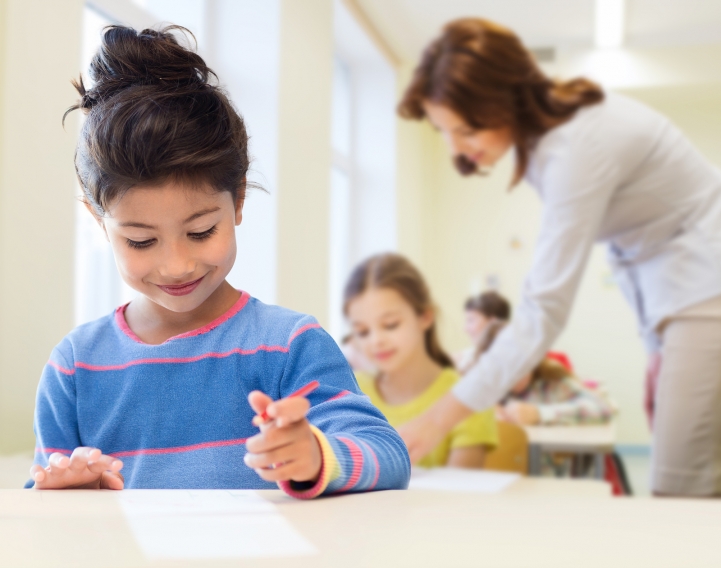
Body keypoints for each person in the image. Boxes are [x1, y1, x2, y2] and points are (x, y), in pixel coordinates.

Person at [27, 25, 410, 497]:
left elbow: (386, 452)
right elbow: (43, 495)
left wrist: (314, 455)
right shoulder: (75, 366)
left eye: (201, 231)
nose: (177, 265)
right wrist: (69, 492)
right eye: (142, 241)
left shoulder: (288, 346)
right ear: (99, 221)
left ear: (240, 200)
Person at [396, 18, 721, 496]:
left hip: (706, 285)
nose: (455, 148)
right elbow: (637, 247)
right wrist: (657, 347)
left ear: (504, 99)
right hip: (685, 293)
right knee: (682, 477)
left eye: (464, 129)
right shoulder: (550, 144)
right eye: (444, 131)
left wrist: (436, 420)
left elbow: (543, 309)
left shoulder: (576, 147)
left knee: (680, 487)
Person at [344, 253, 497, 468]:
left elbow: (461, 496)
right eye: (362, 331)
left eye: (391, 324)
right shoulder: (349, 395)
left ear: (425, 317)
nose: (376, 340)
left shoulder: (468, 398)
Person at [475, 322, 613, 426]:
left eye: (520, 363)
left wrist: (540, 413)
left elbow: (604, 409)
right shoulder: (481, 387)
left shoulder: (552, 381)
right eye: (504, 368)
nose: (514, 374)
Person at [455, 290, 511, 370]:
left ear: (492, 323)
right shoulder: (463, 359)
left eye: (471, 320)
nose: (465, 329)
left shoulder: (509, 362)